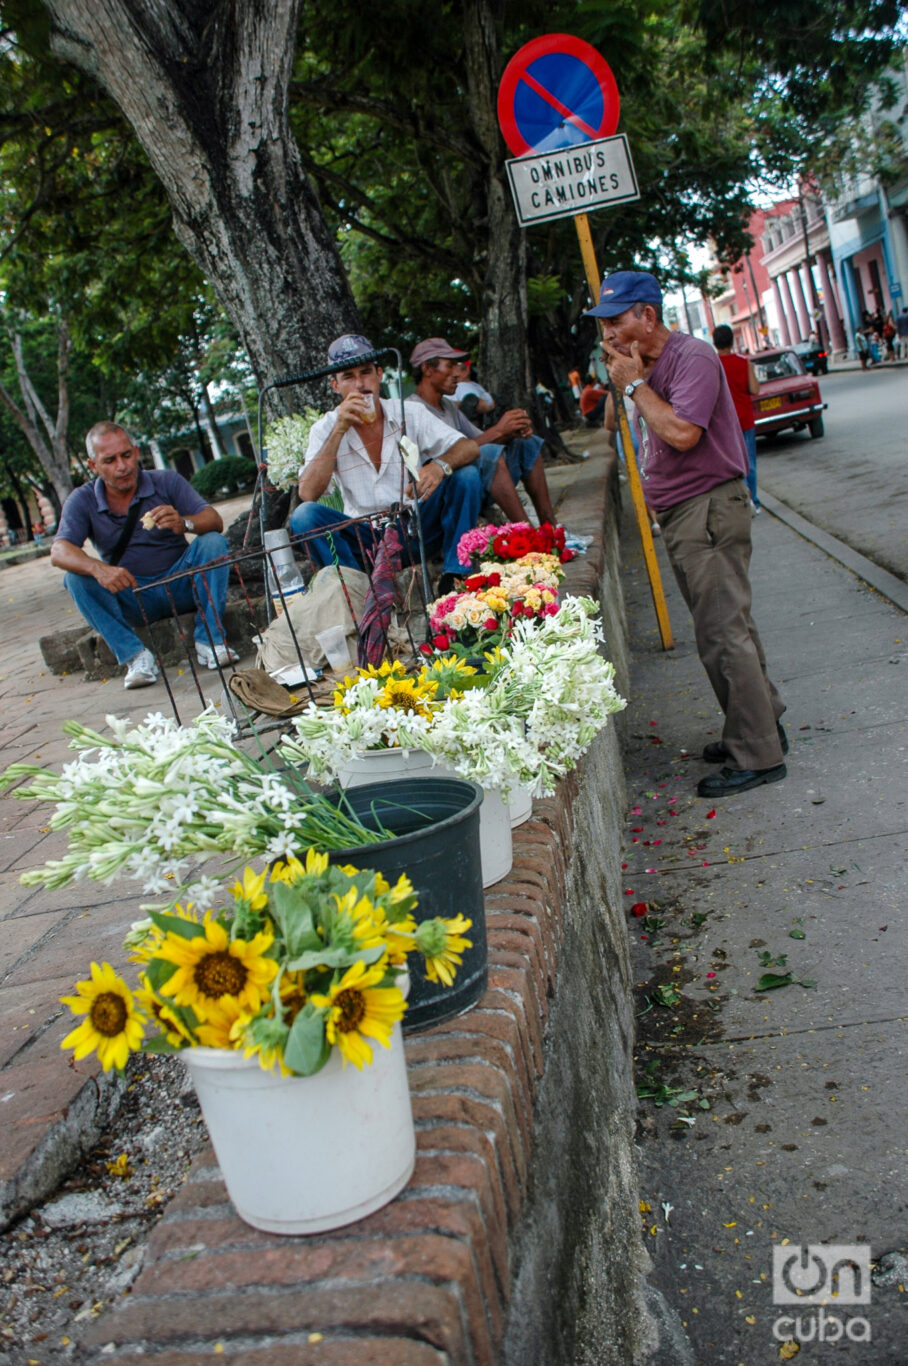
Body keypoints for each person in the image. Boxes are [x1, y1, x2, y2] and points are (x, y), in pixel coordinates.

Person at [590, 270, 787, 798]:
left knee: (722, 633)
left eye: (615, 321)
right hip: (683, 513)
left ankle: (759, 754)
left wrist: (634, 385)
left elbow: (681, 432)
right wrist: (626, 382)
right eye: (602, 324)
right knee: (726, 627)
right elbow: (614, 427)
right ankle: (760, 725)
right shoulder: (643, 366)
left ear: (647, 315)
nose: (607, 333)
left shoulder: (692, 357)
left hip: (708, 509)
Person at [288, 334, 481, 595]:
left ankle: (457, 573)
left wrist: (438, 466)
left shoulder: (408, 412)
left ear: (379, 374)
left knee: (466, 476)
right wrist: (339, 429)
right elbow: (307, 493)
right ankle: (356, 593)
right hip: (366, 537)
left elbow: (469, 447)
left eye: (366, 372)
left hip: (415, 528)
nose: (360, 384)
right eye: (348, 377)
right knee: (305, 516)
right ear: (335, 385)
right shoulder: (325, 428)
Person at [51, 422, 235, 688]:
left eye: (126, 455)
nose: (122, 466)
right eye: (110, 460)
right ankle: (135, 657)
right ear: (93, 466)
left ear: (136, 452)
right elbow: (59, 551)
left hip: (181, 582)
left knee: (213, 543)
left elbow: (214, 521)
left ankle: (211, 640)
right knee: (75, 578)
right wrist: (98, 569)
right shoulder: (82, 499)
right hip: (133, 594)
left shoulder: (165, 481)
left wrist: (185, 523)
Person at [410, 338, 558, 528]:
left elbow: (477, 440)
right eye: (450, 366)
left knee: (527, 444)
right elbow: (453, 457)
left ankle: (551, 527)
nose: (457, 373)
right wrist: (498, 430)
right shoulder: (413, 409)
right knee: (488, 455)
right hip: (449, 490)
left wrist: (512, 430)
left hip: (471, 479)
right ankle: (527, 533)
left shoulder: (447, 406)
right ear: (427, 369)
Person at [712, 324, 760, 511]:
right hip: (745, 420)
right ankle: (753, 501)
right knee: (750, 462)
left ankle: (738, 500)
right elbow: (755, 389)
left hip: (723, 423)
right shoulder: (744, 362)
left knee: (731, 464)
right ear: (732, 342)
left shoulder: (712, 365)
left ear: (715, 343)